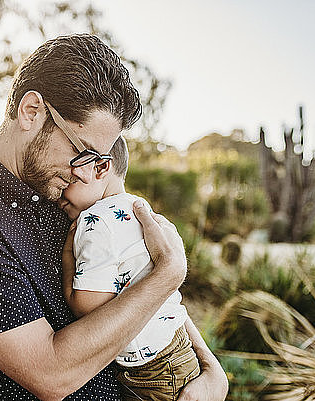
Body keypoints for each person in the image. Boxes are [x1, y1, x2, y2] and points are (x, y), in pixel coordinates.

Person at [0, 33, 228, 400]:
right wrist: (169, 273)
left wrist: (210, 370)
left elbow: (139, 275)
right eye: (83, 151)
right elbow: (50, 374)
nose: (85, 172)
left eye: (97, 161)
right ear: (31, 111)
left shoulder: (66, 193)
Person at [59, 136, 200, 400]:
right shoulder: (138, 206)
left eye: (69, 181)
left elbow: (86, 307)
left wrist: (68, 258)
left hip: (152, 371)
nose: (59, 196)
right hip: (178, 347)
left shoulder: (94, 221)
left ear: (101, 168)